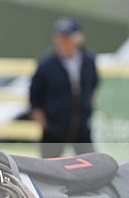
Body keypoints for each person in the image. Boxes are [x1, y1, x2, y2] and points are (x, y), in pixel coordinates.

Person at [29, 17, 99, 158]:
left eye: (67, 37)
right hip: (54, 128)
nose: (62, 41)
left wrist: (86, 108)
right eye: (59, 37)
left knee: (90, 163)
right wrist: (44, 122)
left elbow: (93, 86)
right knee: (48, 168)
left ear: (77, 38)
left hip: (81, 127)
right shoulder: (46, 65)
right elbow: (35, 96)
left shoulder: (88, 61)